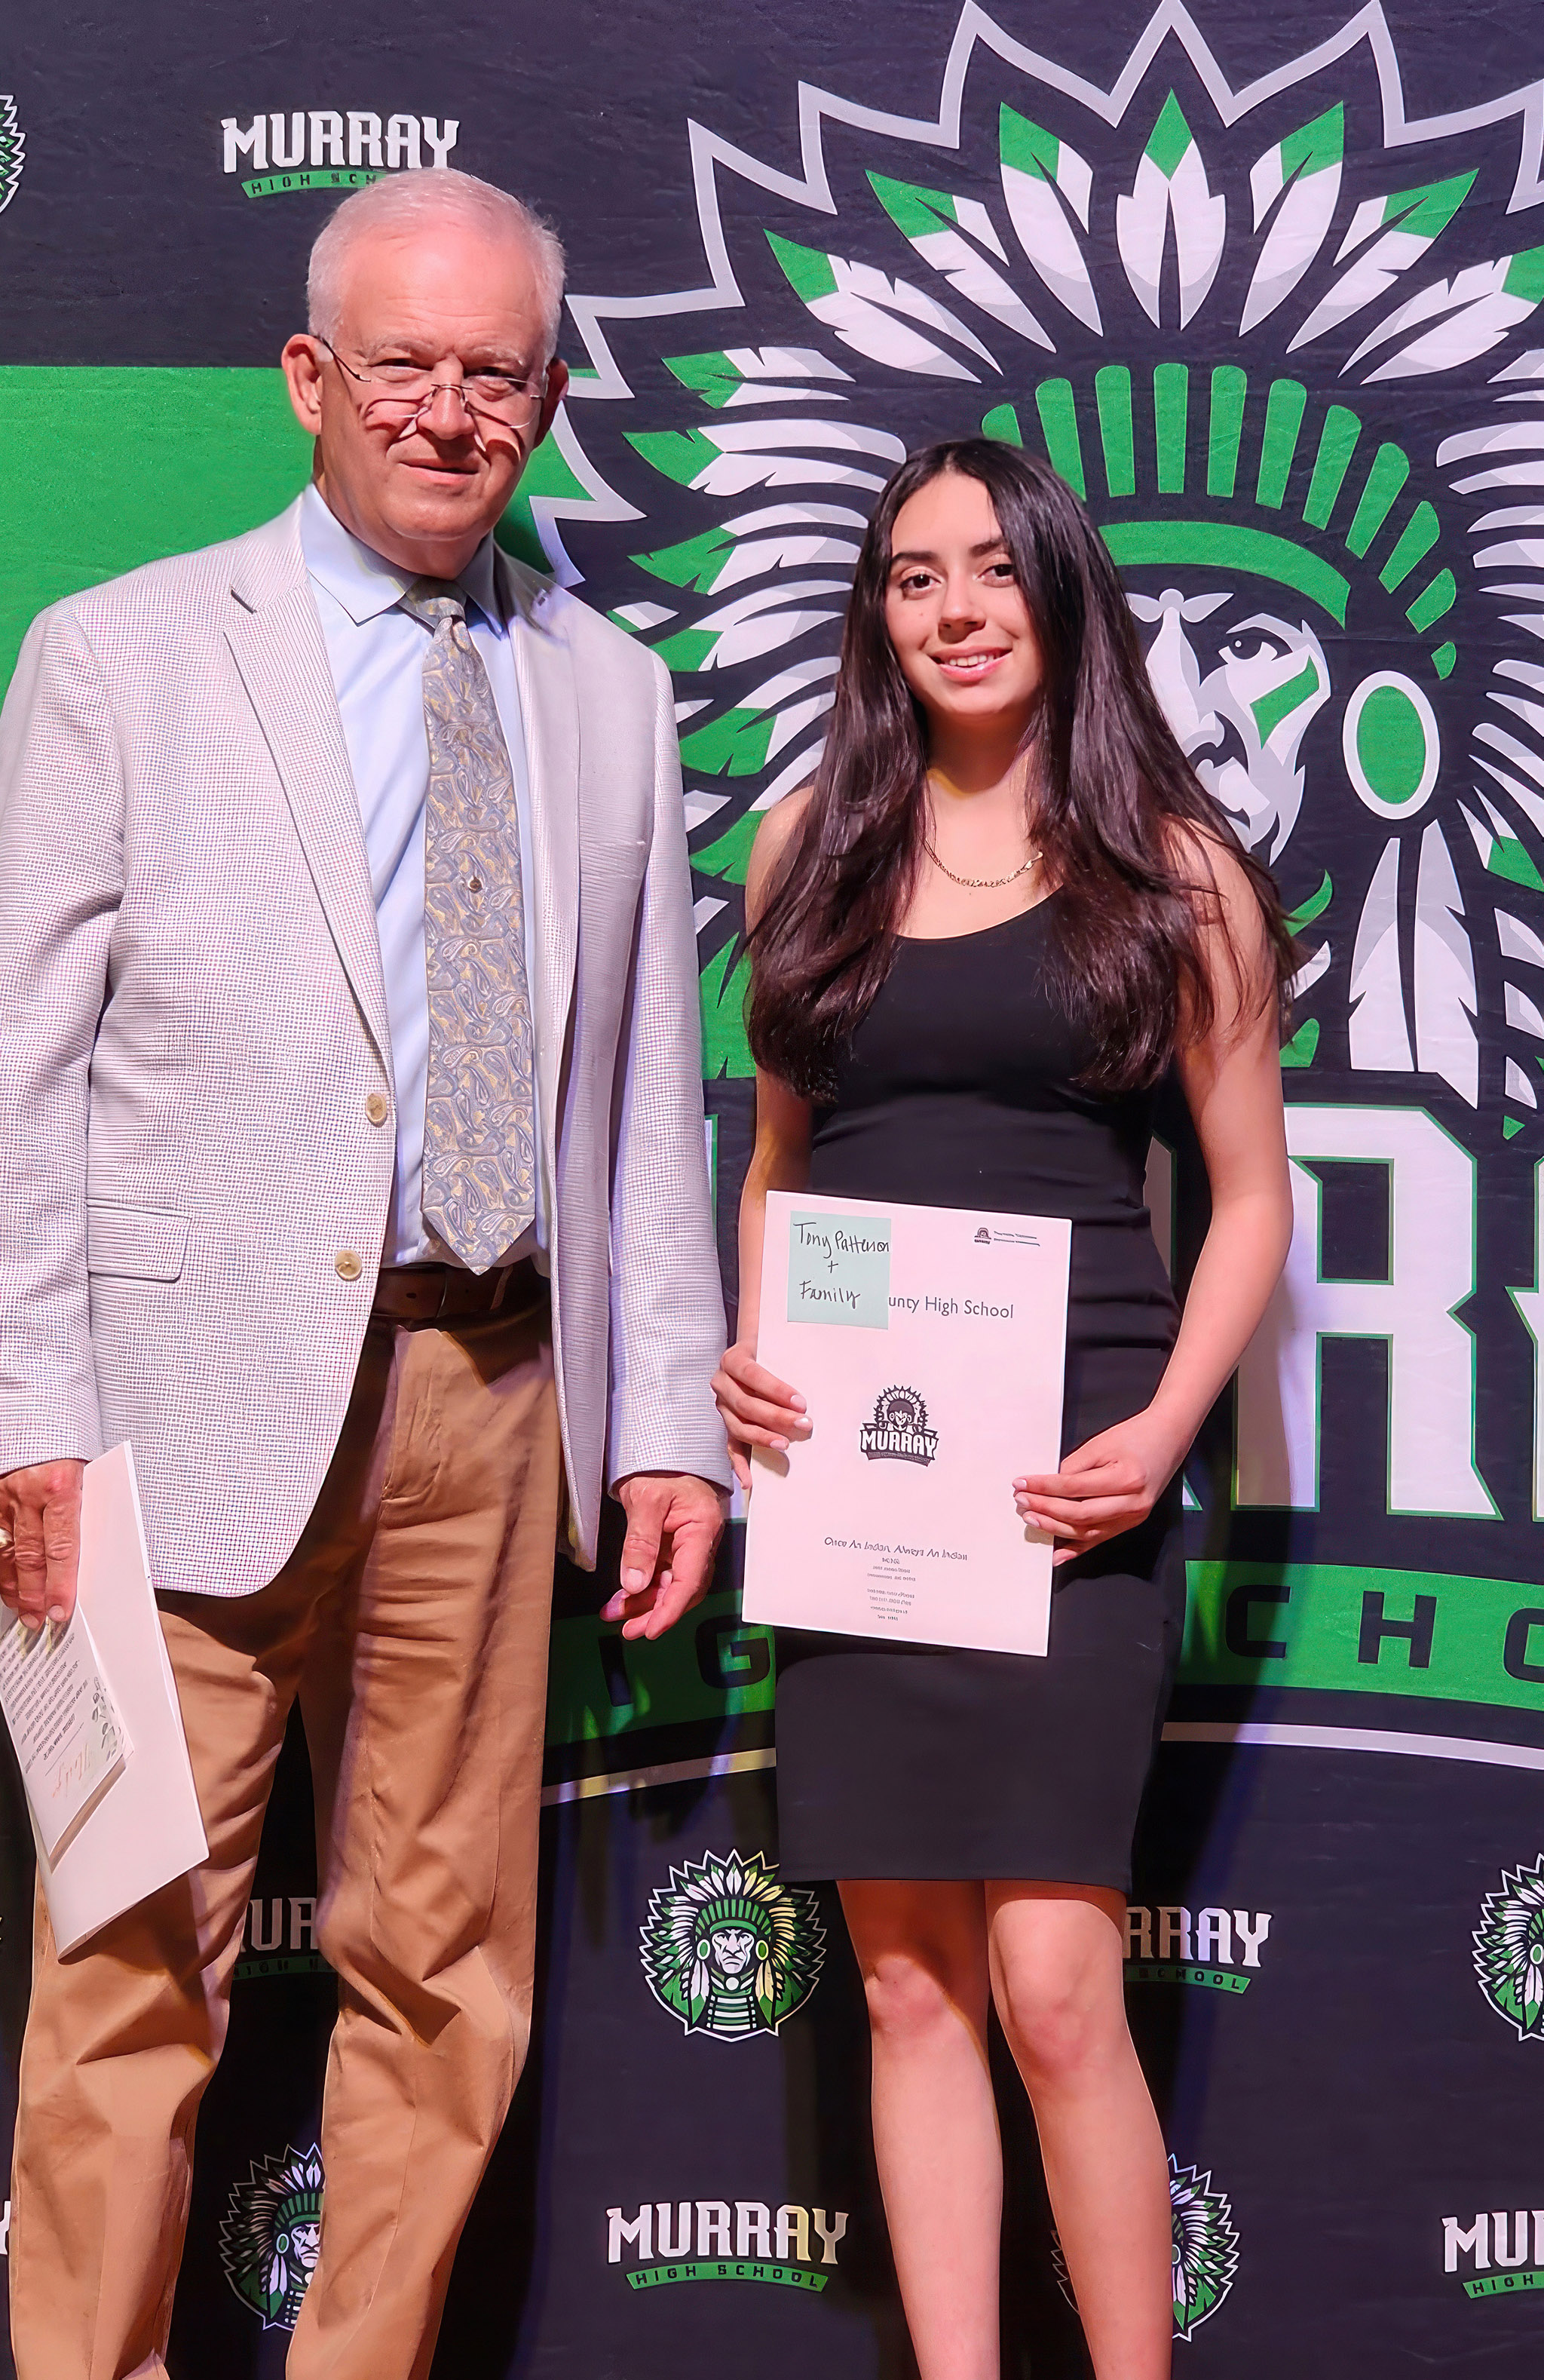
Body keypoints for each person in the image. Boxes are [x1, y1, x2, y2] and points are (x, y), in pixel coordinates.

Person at [0, 167, 729, 2380]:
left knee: (448, 1975)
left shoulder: (612, 692)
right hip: (169, 1421)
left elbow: (643, 1091)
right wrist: (21, 1423)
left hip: (490, 1398)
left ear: (551, 402)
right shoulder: (118, 651)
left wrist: (663, 1418)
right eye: (406, 366)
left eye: (497, 376)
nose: (450, 414)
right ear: (311, 381)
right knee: (124, 1964)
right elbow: (10, 1074)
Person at [713, 438, 1295, 2378]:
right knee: (903, 1982)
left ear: (1057, 589)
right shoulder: (803, 850)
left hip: (1071, 1463)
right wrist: (750, 1342)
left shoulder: (1178, 867)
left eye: (987, 570)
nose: (952, 610)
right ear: (876, 617)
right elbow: (781, 1155)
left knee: (1055, 1984)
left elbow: (1252, 1192)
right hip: (856, 1475)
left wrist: (1167, 1430)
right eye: (907, 579)